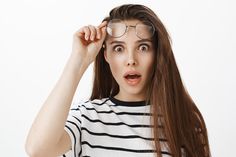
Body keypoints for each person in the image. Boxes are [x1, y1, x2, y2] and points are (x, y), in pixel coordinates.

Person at [25, 4, 211, 157]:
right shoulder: (86, 118)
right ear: (105, 54)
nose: (131, 59)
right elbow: (38, 149)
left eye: (143, 47)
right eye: (118, 48)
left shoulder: (183, 123)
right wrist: (78, 61)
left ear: (157, 54)